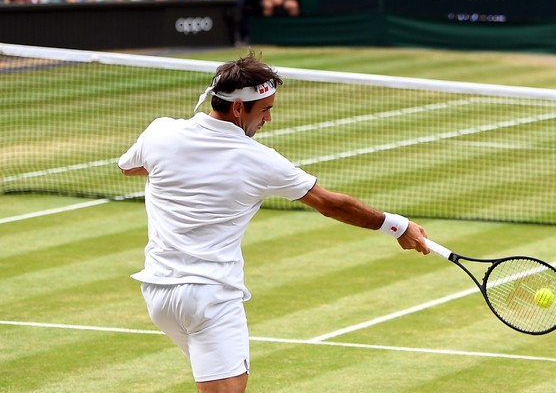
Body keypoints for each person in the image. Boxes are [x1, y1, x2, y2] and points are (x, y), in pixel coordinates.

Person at [118, 54, 429, 392]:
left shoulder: (160, 132)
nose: (267, 119)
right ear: (238, 108)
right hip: (208, 298)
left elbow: (129, 167)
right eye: (264, 110)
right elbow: (329, 204)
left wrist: (183, 169)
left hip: (158, 296)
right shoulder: (260, 160)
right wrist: (397, 225)